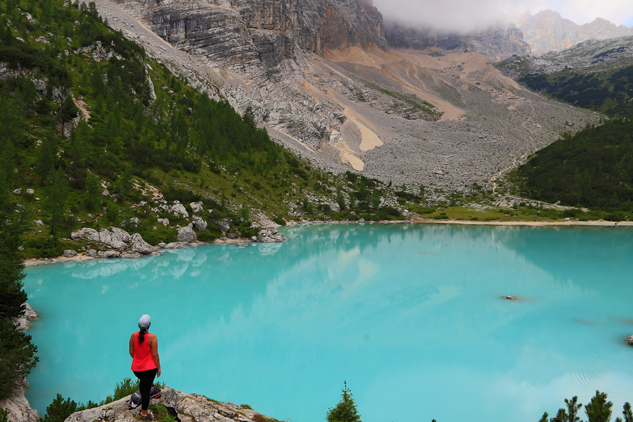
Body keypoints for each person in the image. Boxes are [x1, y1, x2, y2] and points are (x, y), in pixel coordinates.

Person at [129, 314, 161, 420]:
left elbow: (131, 352)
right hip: (149, 370)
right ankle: (144, 415)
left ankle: (148, 388)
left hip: (136, 369)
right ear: (149, 325)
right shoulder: (152, 337)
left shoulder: (133, 335)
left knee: (144, 383)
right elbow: (155, 355)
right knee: (145, 391)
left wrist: (138, 360)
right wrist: (159, 368)